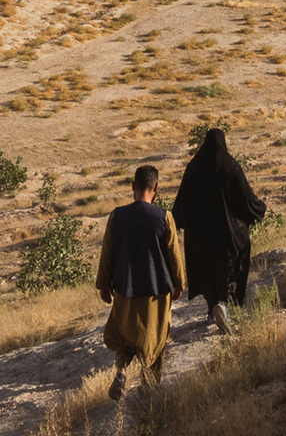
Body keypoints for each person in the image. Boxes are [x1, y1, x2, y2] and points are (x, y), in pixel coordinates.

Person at [95, 164, 185, 402]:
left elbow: (107, 253)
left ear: (133, 187)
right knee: (155, 340)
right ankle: (150, 389)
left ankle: (122, 371)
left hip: (125, 287)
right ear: (156, 188)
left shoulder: (117, 216)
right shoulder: (164, 217)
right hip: (156, 291)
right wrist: (179, 283)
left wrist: (104, 285)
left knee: (124, 339)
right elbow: (173, 255)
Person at [170, 129, 266, 335]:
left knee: (208, 272)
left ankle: (213, 308)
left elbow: (181, 204)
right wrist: (260, 208)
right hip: (229, 236)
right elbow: (247, 199)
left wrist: (174, 222)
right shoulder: (230, 166)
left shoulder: (194, 167)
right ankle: (225, 306)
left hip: (200, 238)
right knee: (231, 271)